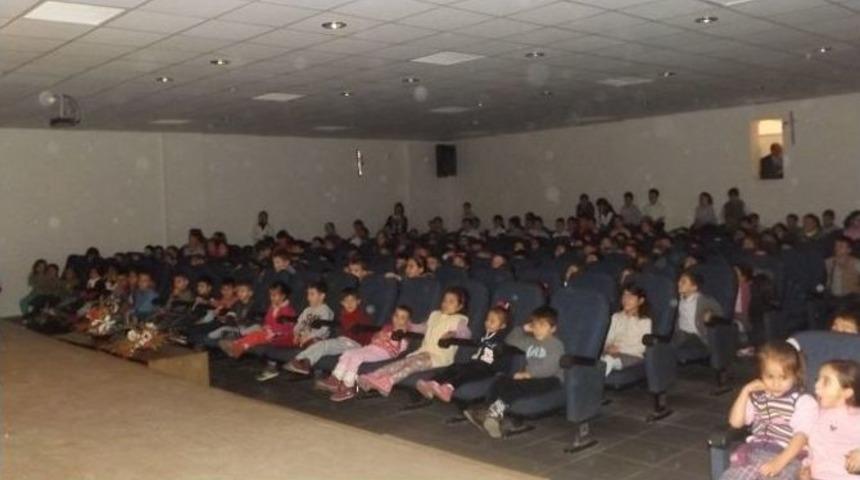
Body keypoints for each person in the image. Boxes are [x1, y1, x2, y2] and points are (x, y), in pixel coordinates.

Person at [463, 306, 565, 439]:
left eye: (542, 325)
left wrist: (529, 374)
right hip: (531, 378)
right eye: (534, 324)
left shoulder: (555, 344)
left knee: (517, 385)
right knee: (501, 381)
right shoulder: (530, 342)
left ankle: (494, 413)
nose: (537, 328)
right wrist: (523, 328)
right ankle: (490, 413)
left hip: (551, 380)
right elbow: (510, 340)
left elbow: (551, 366)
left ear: (553, 329)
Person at [721, 341, 816, 480]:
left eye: (783, 377)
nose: (776, 384)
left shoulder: (803, 401)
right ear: (761, 374)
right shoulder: (758, 397)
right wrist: (745, 391)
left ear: (795, 375)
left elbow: (801, 437)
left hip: (789, 457)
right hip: (754, 451)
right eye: (770, 377)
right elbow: (735, 423)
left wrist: (779, 462)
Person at [358, 287, 470, 397]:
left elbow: (466, 335)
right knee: (402, 362)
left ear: (460, 306)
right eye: (444, 300)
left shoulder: (459, 320)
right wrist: (408, 325)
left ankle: (389, 382)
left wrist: (453, 334)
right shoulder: (435, 315)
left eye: (451, 301)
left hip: (439, 357)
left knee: (412, 365)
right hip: (424, 352)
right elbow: (423, 327)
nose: (446, 303)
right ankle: (373, 376)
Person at [416, 305, 512, 403]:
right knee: (455, 367)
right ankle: (433, 382)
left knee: (466, 373)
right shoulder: (485, 335)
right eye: (487, 319)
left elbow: (503, 358)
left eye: (492, 321)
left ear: (502, 326)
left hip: (487, 369)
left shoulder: (500, 340)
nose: (487, 323)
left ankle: (448, 388)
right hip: (475, 363)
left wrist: (501, 372)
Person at [323, 306, 412, 402]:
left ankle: (349, 386)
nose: (398, 319)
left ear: (407, 321)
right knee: (348, 353)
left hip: (384, 352)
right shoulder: (387, 327)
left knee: (357, 357)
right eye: (396, 315)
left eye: (402, 318)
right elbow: (374, 339)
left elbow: (397, 351)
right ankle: (336, 378)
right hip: (372, 347)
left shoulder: (404, 334)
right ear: (392, 316)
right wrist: (378, 336)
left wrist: (394, 338)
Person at [282, 288, 373, 376]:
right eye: (346, 301)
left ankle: (301, 362)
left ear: (358, 301)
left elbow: (367, 333)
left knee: (326, 345)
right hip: (343, 341)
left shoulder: (362, 316)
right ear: (342, 303)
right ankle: (300, 361)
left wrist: (364, 344)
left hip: (354, 344)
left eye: (352, 300)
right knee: (322, 345)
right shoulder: (343, 314)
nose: (349, 304)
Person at [255, 281, 335, 380]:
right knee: (275, 340)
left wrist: (309, 336)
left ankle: (301, 365)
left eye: (312, 294)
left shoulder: (326, 311)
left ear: (322, 296)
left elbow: (323, 330)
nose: (308, 297)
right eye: (308, 294)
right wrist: (296, 333)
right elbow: (298, 324)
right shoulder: (307, 310)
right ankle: (272, 366)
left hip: (313, 340)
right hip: (299, 338)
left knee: (315, 342)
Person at [799, 360, 860, 480]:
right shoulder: (816, 413)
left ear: (847, 392)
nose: (816, 385)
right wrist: (807, 467)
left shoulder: (856, 416)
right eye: (817, 379)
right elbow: (814, 447)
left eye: (826, 381)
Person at [218, 281, 296, 358]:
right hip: (271, 334)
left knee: (258, 336)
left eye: (274, 295)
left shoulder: (288, 310)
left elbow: (287, 328)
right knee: (256, 333)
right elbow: (267, 320)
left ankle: (239, 347)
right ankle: (236, 345)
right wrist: (266, 327)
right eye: (270, 295)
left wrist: (272, 331)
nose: (271, 298)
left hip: (283, 338)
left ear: (283, 296)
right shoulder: (272, 307)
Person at [602, 285, 652, 376]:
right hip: (611, 352)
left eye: (631, 297)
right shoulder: (616, 317)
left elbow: (642, 347)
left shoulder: (645, 322)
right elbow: (609, 337)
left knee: (607, 361)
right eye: (624, 295)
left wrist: (620, 349)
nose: (626, 299)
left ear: (640, 301)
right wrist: (608, 346)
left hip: (632, 355)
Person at [672, 270, 724, 352]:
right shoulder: (678, 298)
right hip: (680, 333)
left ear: (694, 287)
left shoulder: (703, 300)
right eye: (679, 280)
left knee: (675, 343)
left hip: (696, 336)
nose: (679, 283)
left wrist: (711, 315)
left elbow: (720, 313)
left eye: (683, 282)